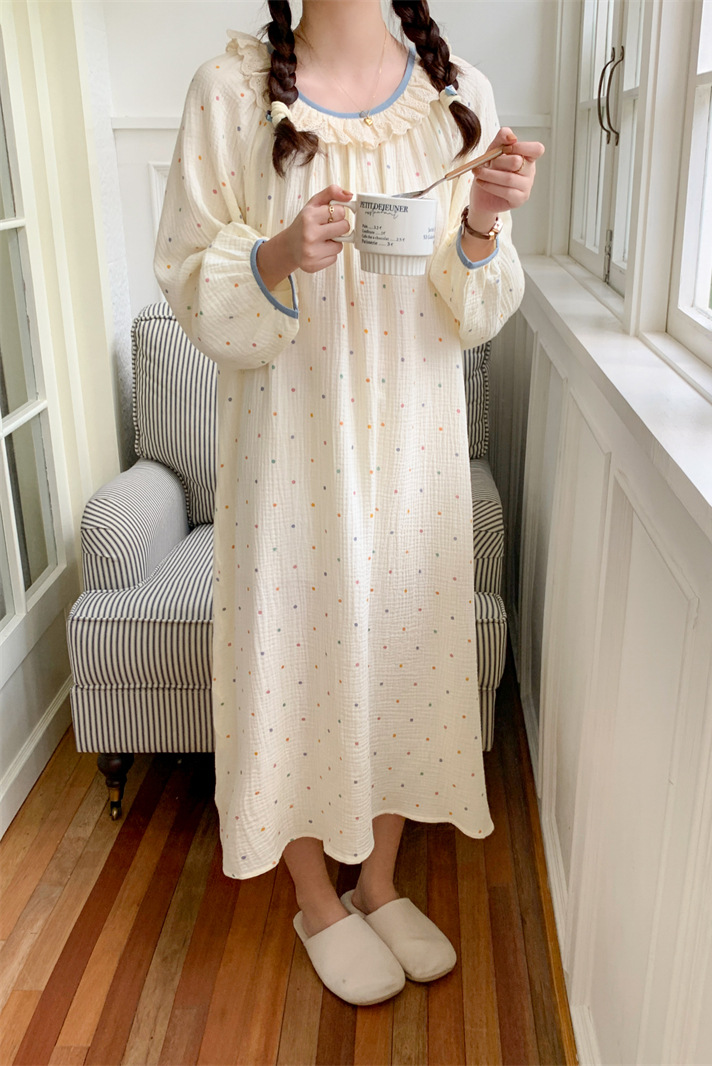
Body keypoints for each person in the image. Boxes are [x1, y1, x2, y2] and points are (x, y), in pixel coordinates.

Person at [154, 0, 542, 1006]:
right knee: (289, 657)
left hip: (413, 449)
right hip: (288, 449)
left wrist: (483, 219)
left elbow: (474, 311)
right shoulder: (230, 93)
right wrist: (277, 255)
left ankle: (378, 882)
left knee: (404, 654)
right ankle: (316, 898)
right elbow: (188, 280)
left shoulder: (457, 97)